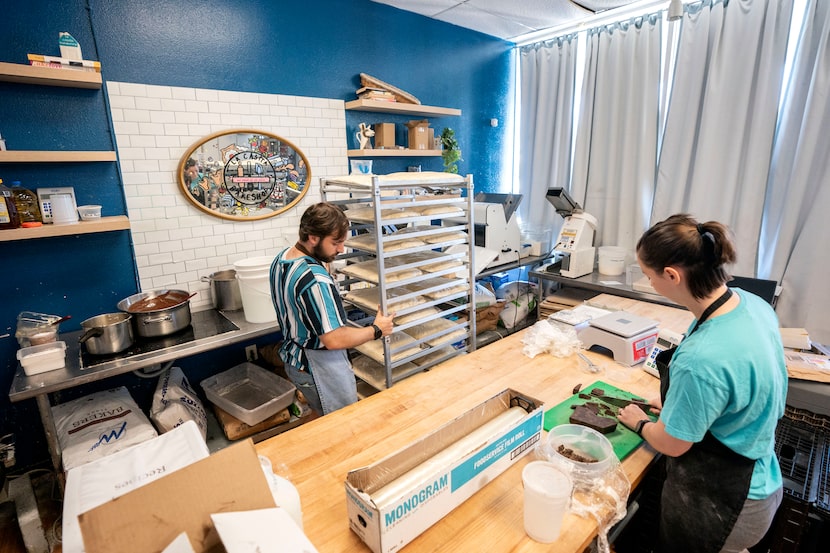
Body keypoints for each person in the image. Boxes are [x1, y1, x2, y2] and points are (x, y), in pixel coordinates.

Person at [617, 214, 787, 553]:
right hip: (764, 479)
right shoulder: (750, 304)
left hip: (725, 505)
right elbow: (738, 389)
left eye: (649, 277)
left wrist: (640, 423)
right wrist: (682, 410)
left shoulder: (701, 359)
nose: (650, 284)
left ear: (672, 275)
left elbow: (673, 445)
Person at [270, 202, 395, 415]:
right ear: (313, 238)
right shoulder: (314, 279)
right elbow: (334, 339)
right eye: (336, 243)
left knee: (324, 419)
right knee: (342, 425)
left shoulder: (283, 259)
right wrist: (377, 329)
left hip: (294, 359)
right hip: (317, 367)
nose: (341, 249)